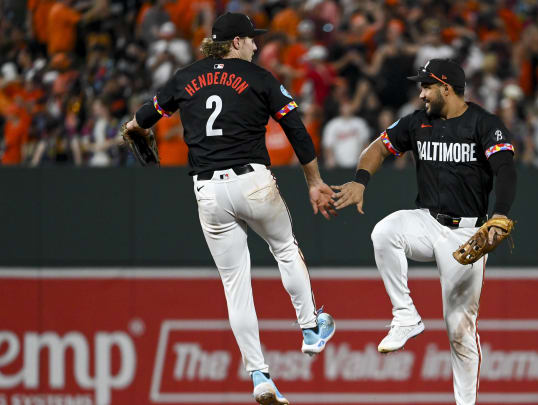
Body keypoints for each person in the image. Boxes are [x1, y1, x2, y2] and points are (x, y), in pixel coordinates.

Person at [123, 12, 336, 405]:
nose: (256, 45)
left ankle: (260, 377)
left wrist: (134, 130)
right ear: (235, 42)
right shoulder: (259, 78)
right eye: (250, 39)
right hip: (253, 181)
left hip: (208, 191)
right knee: (285, 249)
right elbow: (296, 130)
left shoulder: (185, 76)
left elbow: (140, 120)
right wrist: (314, 181)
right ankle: (309, 330)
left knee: (235, 285)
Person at [332, 59, 517, 405]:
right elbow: (377, 148)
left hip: (467, 234)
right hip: (427, 220)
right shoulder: (419, 122)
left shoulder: (484, 124)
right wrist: (360, 181)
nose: (421, 93)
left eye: (427, 86)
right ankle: (405, 315)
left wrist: (500, 215)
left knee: (459, 328)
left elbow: (505, 169)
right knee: (384, 232)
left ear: (446, 87)